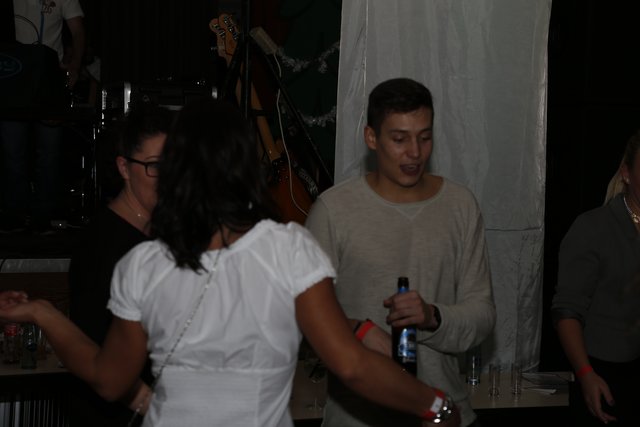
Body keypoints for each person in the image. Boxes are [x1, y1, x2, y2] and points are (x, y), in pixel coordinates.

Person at [0, 97, 461, 427]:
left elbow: (107, 379)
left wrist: (43, 313)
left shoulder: (144, 264)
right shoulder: (286, 249)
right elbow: (352, 366)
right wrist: (437, 405)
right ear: (244, 167)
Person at [305, 77, 496, 427]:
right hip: (359, 419)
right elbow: (303, 322)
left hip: (446, 416)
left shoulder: (460, 206)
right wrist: (358, 331)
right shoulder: (333, 211)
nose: (415, 153)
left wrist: (433, 317)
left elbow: (482, 316)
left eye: (424, 137)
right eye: (399, 139)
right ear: (371, 138)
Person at [67, 103, 172, 426]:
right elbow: (95, 355)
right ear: (124, 168)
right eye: (155, 166)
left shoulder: (161, 233)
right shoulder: (103, 245)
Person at [551, 130, 640, 426]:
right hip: (604, 376)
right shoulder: (593, 228)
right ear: (626, 173)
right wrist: (586, 374)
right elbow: (566, 311)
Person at [0, 0, 85, 232]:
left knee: (49, 152)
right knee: (12, 151)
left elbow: (78, 31)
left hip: (49, 79)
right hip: (14, 77)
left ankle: (43, 214)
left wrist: (74, 65)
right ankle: (15, 213)